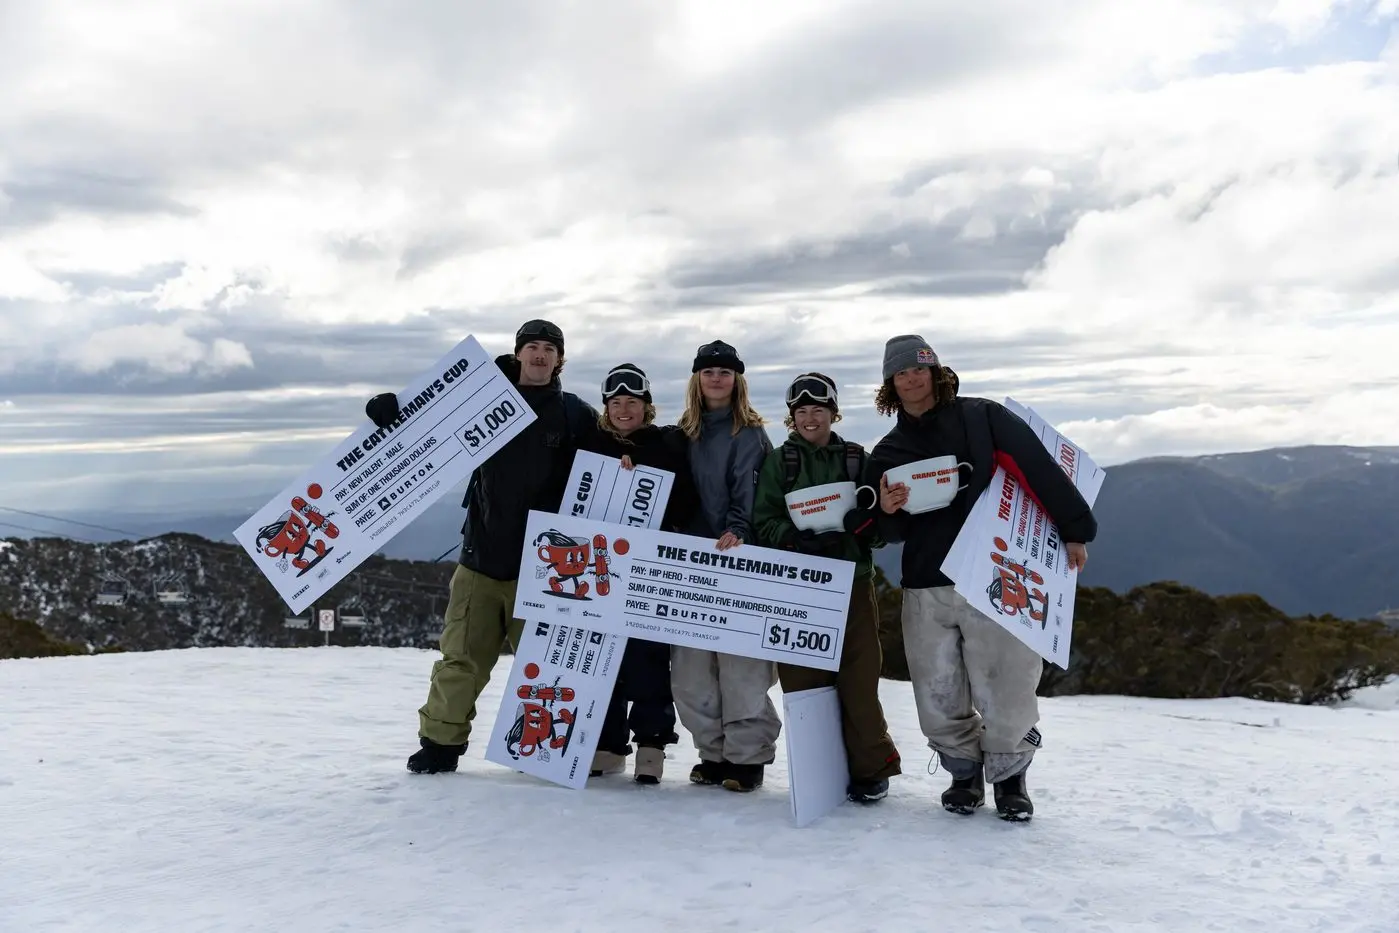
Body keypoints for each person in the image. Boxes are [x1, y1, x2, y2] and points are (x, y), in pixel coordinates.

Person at [866, 335, 1097, 821]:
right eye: (902, 373)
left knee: (1007, 682)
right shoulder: (888, 449)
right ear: (890, 384)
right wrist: (886, 509)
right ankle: (963, 777)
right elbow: (890, 532)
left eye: (920, 369)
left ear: (936, 372)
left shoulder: (981, 417)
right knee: (938, 690)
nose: (912, 379)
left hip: (994, 574)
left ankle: (1011, 780)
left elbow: (1035, 468)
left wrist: (1074, 529)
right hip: (926, 581)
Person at [365, 320, 600, 774]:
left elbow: (614, 459)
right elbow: (425, 424)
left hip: (546, 571)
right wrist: (389, 411)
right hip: (481, 559)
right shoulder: (481, 400)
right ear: (518, 353)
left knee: (549, 670)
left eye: (549, 349)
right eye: (532, 347)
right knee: (460, 660)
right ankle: (439, 745)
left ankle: (540, 750)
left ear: (559, 359)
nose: (539, 355)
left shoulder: (576, 415)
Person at [752, 372, 903, 803]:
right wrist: (792, 537)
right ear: (792, 417)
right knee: (803, 682)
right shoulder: (781, 462)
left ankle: (870, 769)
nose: (810, 418)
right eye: (801, 411)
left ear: (833, 413)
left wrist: (866, 526)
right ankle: (817, 769)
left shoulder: (857, 459)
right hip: (797, 586)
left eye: (818, 409)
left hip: (852, 582)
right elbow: (764, 518)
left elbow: (882, 526)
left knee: (859, 679)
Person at [581, 363, 700, 784]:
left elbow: (686, 503)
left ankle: (652, 744)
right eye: (616, 402)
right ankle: (608, 744)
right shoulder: (591, 445)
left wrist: (644, 477)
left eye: (632, 401)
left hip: (651, 570)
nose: (624, 409)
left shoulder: (667, 444)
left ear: (646, 406)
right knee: (603, 656)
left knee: (649, 658)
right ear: (606, 408)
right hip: (600, 570)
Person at [672, 340, 778, 792]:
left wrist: (739, 530)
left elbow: (749, 491)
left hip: (736, 559)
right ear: (697, 379)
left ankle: (746, 756)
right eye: (709, 371)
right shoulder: (683, 433)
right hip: (687, 565)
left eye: (725, 372)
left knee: (741, 668)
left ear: (737, 381)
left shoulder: (748, 433)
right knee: (691, 671)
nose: (716, 378)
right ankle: (712, 752)